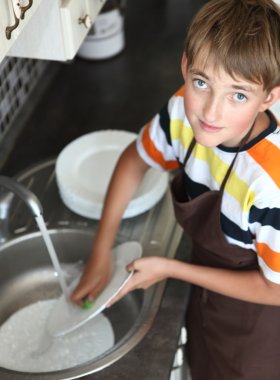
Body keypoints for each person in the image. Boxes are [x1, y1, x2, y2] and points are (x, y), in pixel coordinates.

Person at [71, 0, 280, 378]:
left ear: (269, 98)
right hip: (205, 293)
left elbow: (275, 289)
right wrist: (100, 252)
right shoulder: (182, 111)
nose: (211, 112)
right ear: (185, 66)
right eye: (202, 82)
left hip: (259, 324)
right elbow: (134, 160)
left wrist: (171, 269)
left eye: (238, 95)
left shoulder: (270, 185)